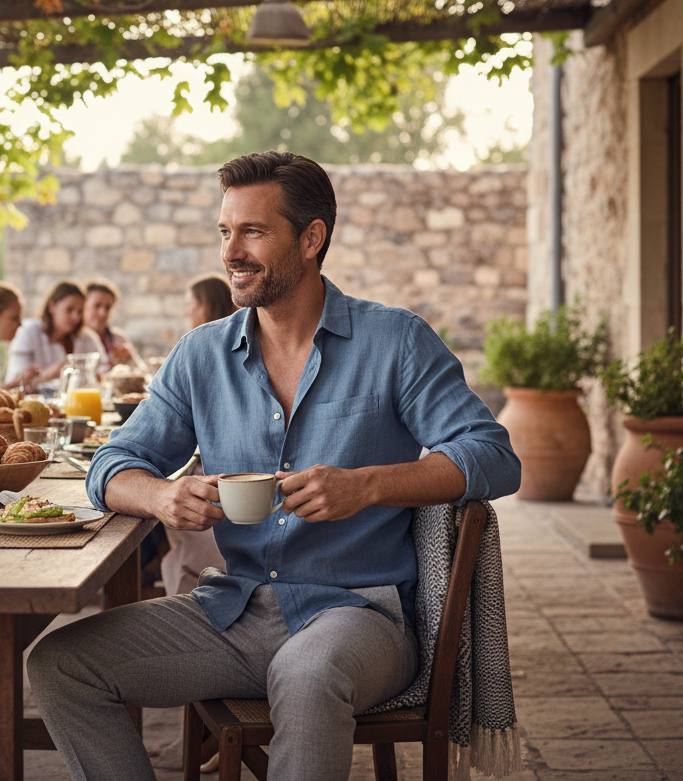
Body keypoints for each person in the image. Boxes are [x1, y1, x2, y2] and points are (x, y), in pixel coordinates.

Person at [27, 151, 520, 781]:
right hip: (236, 609)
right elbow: (115, 462)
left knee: (307, 675)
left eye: (253, 232)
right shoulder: (201, 355)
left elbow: (493, 455)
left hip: (358, 615)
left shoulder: (394, 341)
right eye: (225, 232)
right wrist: (159, 497)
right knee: (59, 664)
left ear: (311, 239)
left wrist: (365, 486)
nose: (232, 251)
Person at [160, 274, 237, 596]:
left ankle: (185, 584)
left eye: (190, 306)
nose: (187, 313)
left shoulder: (215, 353)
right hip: (206, 477)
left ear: (204, 307)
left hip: (221, 490)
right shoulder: (197, 349)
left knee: (178, 518)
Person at [5, 281, 105, 387]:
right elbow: (15, 384)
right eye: (69, 310)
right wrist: (48, 375)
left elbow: (103, 372)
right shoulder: (28, 332)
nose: (76, 317)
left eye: (80, 312)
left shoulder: (87, 338)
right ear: (52, 307)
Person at [84, 278, 145, 372]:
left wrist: (129, 360)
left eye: (107, 308)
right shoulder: (77, 340)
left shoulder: (119, 338)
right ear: (83, 306)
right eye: (97, 306)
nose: (103, 313)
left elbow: (142, 372)